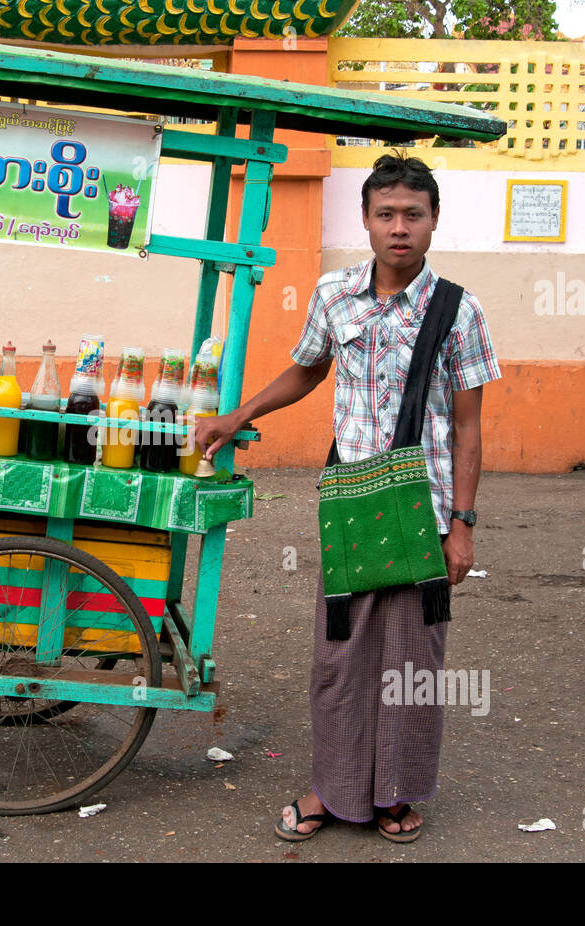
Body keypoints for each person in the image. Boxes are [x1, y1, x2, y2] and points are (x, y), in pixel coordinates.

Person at [189, 153, 501, 843]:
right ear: (365, 220)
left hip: (424, 510)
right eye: (386, 214)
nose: (399, 228)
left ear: (433, 222)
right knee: (341, 654)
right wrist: (236, 416)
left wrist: (464, 525)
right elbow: (307, 367)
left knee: (415, 660)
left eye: (412, 215)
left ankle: (395, 791)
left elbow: (471, 425)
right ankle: (331, 789)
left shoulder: (459, 309)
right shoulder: (335, 295)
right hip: (350, 505)